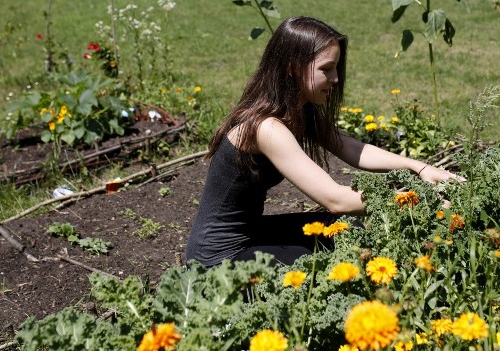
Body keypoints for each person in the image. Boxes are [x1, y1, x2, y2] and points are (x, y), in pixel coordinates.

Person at [184, 16, 464, 268]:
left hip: (251, 234)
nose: (336, 78)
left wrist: (419, 167)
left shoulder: (297, 111)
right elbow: (336, 199)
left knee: (344, 231)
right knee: (336, 262)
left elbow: (351, 148)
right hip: (218, 259)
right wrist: (416, 200)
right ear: (293, 68)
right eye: (327, 69)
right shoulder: (266, 128)